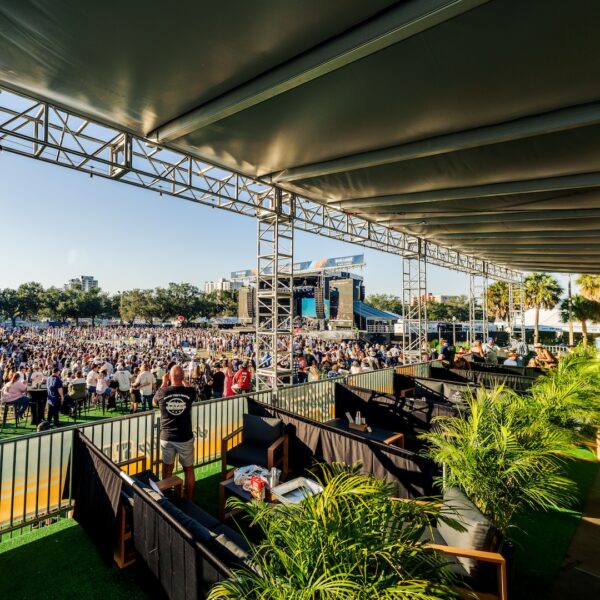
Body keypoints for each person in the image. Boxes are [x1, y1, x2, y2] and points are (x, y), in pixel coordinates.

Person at [153, 365, 196, 500]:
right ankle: (189, 500)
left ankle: (167, 500)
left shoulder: (162, 391)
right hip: (184, 437)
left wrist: (164, 383)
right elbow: (192, 391)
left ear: (169, 377)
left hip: (167, 437)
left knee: (167, 468)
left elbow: (154, 402)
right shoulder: (189, 392)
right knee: (188, 469)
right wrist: (183, 381)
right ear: (182, 377)